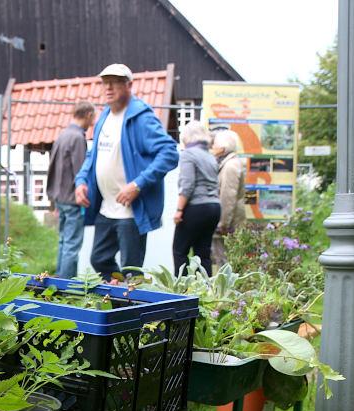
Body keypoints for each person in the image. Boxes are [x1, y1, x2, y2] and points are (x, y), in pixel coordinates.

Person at [75, 64, 179, 281]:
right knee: (99, 259)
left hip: (132, 211)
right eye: (105, 83)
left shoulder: (141, 117)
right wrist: (81, 180)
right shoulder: (103, 116)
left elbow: (169, 152)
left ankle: (128, 308)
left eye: (115, 82)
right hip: (107, 206)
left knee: (132, 269)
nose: (109, 88)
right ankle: (117, 295)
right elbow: (92, 155)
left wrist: (137, 184)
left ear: (129, 85)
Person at [48, 101, 96, 279]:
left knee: (63, 241)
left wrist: (53, 201)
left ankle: (59, 281)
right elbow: (81, 171)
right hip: (72, 198)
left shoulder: (62, 135)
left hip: (60, 198)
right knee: (72, 244)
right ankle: (67, 287)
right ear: (89, 115)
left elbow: (52, 168)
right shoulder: (77, 137)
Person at [172, 120, 221, 275]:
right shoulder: (210, 156)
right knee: (203, 252)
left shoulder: (188, 154)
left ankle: (181, 292)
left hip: (196, 207)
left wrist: (179, 210)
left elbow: (187, 185)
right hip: (214, 207)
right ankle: (206, 291)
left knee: (180, 251)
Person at [210, 129, 247, 267]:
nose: (212, 147)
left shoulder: (230, 166)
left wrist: (223, 224)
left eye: (214, 144)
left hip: (228, 221)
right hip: (230, 219)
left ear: (223, 147)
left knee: (225, 261)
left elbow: (228, 196)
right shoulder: (230, 163)